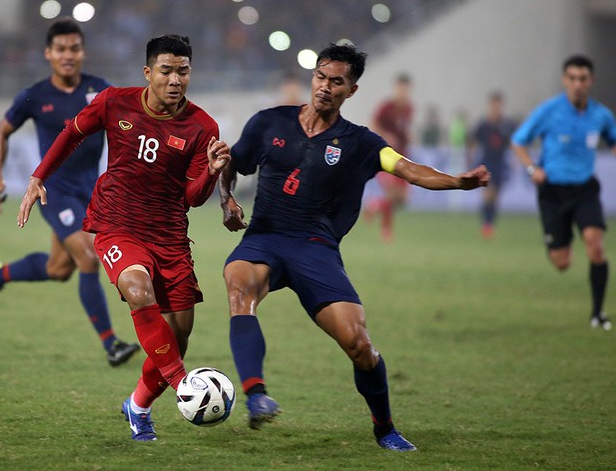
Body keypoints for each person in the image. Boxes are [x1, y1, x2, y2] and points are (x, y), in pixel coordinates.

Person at [219, 43, 489, 452]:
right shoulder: (268, 123)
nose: (325, 87)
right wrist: (227, 201)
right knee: (239, 286)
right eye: (320, 77)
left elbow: (409, 170)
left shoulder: (361, 143)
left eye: (336, 81)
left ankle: (384, 428)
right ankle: (257, 395)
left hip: (316, 248)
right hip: (265, 237)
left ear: (352, 90)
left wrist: (457, 181)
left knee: (359, 345)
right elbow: (231, 164)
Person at [17, 34, 231, 441]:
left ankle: (138, 405)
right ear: (148, 72)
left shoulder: (203, 126)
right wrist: (38, 176)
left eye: (182, 72)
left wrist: (212, 170)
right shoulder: (115, 101)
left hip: (168, 233)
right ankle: (183, 383)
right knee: (137, 288)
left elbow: (192, 197)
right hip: (117, 222)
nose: (175, 80)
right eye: (166, 71)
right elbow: (70, 133)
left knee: (177, 334)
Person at [0, 19, 140, 367]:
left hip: (90, 194)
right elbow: (1, 133)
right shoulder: (35, 96)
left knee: (59, 268)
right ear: (48, 53)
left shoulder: (101, 90)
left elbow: (133, 126)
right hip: (54, 193)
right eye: (61, 49)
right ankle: (112, 344)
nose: (68, 56)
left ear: (83, 52)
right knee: (87, 258)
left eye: (75, 49)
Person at [511, 55, 616, 331]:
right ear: (564, 80)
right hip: (553, 192)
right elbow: (518, 142)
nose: (578, 84)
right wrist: (533, 170)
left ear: (590, 81)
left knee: (595, 244)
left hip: (584, 189)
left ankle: (597, 314)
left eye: (583, 79)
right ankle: (557, 244)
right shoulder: (549, 111)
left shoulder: (601, 115)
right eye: (572, 78)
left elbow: (613, 140)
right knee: (561, 262)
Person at [362, 73, 413, 241]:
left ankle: (374, 205)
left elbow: (403, 129)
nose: (402, 92)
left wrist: (408, 138)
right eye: (400, 88)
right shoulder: (386, 107)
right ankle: (386, 230)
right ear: (395, 88)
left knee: (402, 199)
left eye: (405, 89)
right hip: (386, 154)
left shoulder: (409, 108)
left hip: (402, 155)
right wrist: (386, 136)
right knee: (391, 193)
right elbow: (373, 124)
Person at [468, 91, 517, 238]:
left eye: (499, 105)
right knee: (487, 194)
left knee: (496, 196)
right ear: (490, 106)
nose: (496, 108)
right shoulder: (483, 125)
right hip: (486, 162)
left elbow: (513, 143)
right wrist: (470, 156)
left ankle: (490, 224)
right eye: (494, 105)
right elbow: (474, 141)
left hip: (500, 163)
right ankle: (485, 224)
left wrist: (514, 158)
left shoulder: (507, 125)